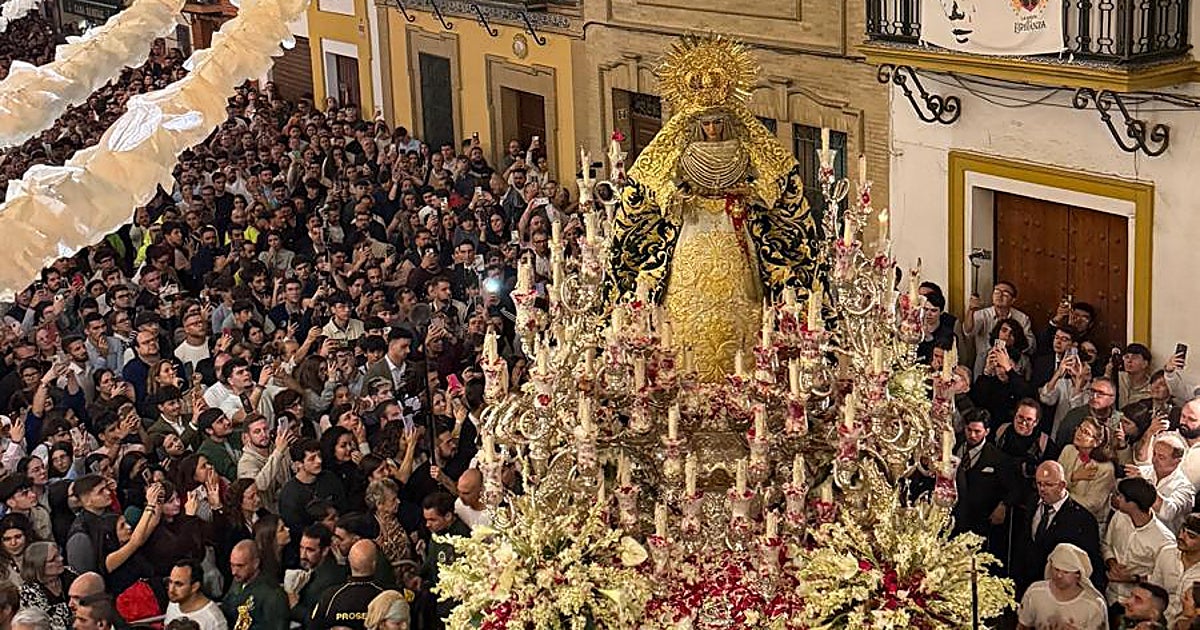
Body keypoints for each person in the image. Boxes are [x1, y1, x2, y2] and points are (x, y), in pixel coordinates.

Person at [604, 36, 823, 382]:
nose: (711, 128)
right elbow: (652, 182)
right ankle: (680, 370)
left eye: (717, 122)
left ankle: (750, 371)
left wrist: (750, 192)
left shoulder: (746, 147)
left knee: (743, 304)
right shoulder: (679, 149)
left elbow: (774, 182)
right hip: (692, 232)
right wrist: (675, 195)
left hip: (735, 231)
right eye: (705, 123)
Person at [1014, 461, 1104, 597]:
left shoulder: (1082, 519)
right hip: (1028, 586)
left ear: (1062, 485)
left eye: (1048, 484)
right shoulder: (1032, 503)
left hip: (1060, 590)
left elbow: (1089, 562)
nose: (1042, 489)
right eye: (1039, 483)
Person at [1103, 477, 1174, 605]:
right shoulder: (1119, 516)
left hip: (1139, 604)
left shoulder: (1164, 541)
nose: (1116, 498)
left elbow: (1162, 580)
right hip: (1110, 595)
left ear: (1133, 504)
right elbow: (1106, 545)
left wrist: (1133, 579)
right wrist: (1112, 563)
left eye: (1120, 496)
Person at [1016, 543, 1108, 630]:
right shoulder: (1035, 592)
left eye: (1066, 572)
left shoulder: (1094, 605)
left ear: (1078, 574)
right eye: (1056, 569)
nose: (1059, 575)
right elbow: (1023, 626)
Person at [309, 539, 384, 630]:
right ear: (375, 563)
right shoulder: (387, 596)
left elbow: (313, 627)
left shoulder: (330, 597)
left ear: (349, 561)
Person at [220, 541, 286, 630]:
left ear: (255, 564)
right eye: (232, 565)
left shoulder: (272, 594)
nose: (234, 572)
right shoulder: (237, 581)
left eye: (240, 566)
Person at [289, 524, 346, 625]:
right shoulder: (309, 568)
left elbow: (319, 620)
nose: (303, 555)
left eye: (310, 550)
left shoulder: (329, 580)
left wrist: (294, 606)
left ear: (325, 551)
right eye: (301, 548)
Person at [18, 542, 74, 629]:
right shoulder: (28, 592)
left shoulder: (70, 574)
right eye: (53, 559)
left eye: (58, 555)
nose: (61, 558)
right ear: (39, 565)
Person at [164, 559, 227, 630]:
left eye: (178, 584)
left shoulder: (214, 620)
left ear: (195, 587)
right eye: (170, 582)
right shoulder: (174, 602)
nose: (171, 590)